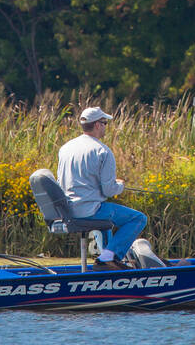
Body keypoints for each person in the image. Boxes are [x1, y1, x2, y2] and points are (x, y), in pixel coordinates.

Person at [57, 106, 147, 270]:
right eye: (105, 123)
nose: (106, 126)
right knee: (138, 219)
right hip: (89, 210)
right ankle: (107, 258)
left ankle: (108, 261)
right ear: (97, 125)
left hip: (67, 211)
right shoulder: (102, 151)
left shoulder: (65, 148)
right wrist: (120, 185)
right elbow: (109, 190)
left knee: (106, 216)